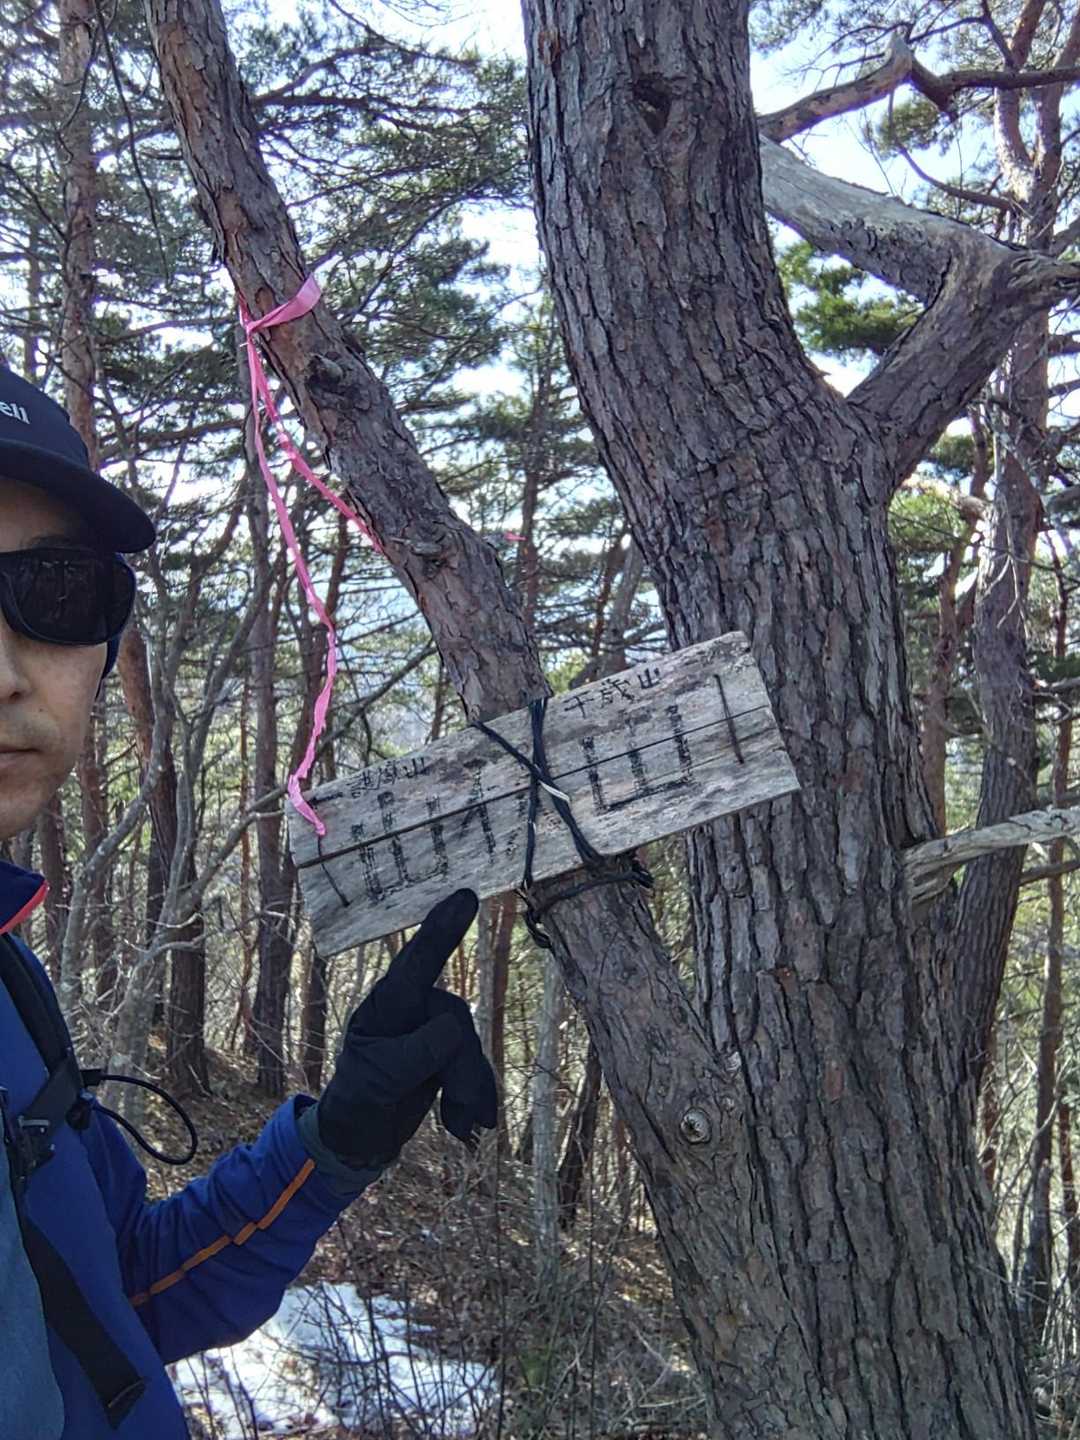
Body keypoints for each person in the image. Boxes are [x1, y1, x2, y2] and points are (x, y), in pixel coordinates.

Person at [0, 367, 497, 1438]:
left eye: (55, 592)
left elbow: (117, 1300)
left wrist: (335, 1137)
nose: (2, 673)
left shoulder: (9, 985)